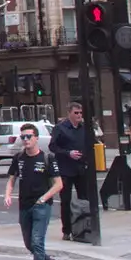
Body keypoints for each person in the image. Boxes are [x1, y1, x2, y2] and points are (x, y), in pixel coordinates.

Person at [5, 123, 63, 260]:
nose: (26, 140)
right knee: (30, 244)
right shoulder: (19, 158)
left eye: (29, 136)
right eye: (23, 137)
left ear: (36, 138)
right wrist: (8, 194)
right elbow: (11, 179)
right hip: (25, 205)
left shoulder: (47, 158)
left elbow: (59, 184)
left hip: (41, 206)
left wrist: (44, 198)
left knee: (37, 242)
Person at [48, 101, 92, 242]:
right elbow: (53, 147)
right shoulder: (60, 128)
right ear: (69, 114)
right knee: (65, 201)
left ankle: (84, 227)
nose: (79, 115)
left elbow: (90, 144)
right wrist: (68, 153)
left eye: (80, 113)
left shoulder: (84, 128)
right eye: (76, 113)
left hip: (81, 168)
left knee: (84, 199)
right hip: (66, 169)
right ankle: (67, 230)